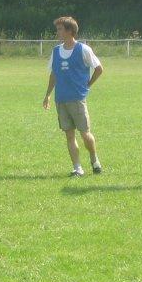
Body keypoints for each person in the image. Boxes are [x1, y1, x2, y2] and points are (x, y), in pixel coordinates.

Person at [42, 16, 104, 177]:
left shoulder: (83, 49)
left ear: (70, 31)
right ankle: (77, 168)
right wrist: (48, 95)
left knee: (85, 134)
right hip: (61, 99)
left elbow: (99, 69)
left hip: (77, 99)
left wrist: (88, 85)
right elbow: (53, 74)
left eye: (60, 29)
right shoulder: (56, 51)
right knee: (69, 135)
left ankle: (94, 159)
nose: (57, 32)